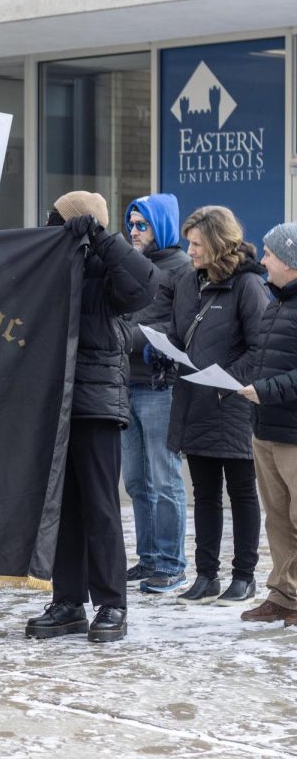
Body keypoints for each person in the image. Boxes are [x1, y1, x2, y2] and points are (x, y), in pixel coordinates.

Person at [25, 191, 157, 643]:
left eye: (58, 220)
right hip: (53, 407)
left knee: (101, 508)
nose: (49, 225)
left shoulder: (108, 271)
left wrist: (102, 238)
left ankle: (112, 603)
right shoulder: (53, 267)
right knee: (63, 513)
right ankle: (67, 602)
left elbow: (144, 285)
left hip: (97, 406)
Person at [166, 206, 267, 606]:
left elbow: (260, 348)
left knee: (242, 492)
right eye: (188, 243)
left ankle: (244, 576)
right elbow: (179, 333)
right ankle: (206, 575)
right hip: (195, 401)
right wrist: (163, 347)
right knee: (204, 493)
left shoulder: (248, 286)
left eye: (196, 243)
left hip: (234, 402)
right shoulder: (188, 282)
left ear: (218, 243)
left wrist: (224, 381)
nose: (189, 251)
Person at [119, 194, 192, 594]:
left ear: (161, 226)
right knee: (135, 480)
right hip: (125, 383)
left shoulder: (182, 269)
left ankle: (171, 564)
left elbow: (181, 329)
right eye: (130, 224)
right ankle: (148, 558)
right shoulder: (132, 265)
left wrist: (136, 340)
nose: (133, 231)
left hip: (160, 387)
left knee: (164, 478)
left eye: (141, 224)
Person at [238, 222, 297, 625]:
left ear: (291, 261)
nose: (262, 260)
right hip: (265, 430)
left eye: (270, 254)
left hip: (293, 434)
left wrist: (267, 390)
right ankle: (284, 595)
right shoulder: (275, 303)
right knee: (277, 519)